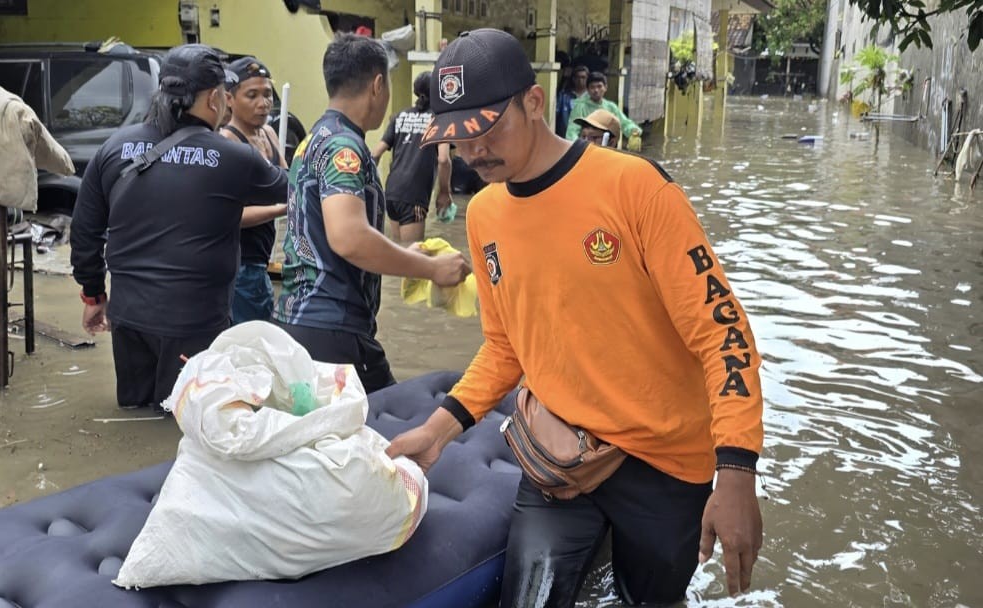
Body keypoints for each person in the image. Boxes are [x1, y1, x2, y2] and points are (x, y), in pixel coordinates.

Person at [386, 28, 764, 606]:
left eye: (488, 131)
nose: (474, 153)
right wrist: (437, 431)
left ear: (534, 102)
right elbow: (505, 347)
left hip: (665, 463)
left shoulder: (636, 189)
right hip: (560, 454)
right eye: (460, 141)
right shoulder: (485, 214)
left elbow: (724, 334)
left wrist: (736, 471)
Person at [71, 44, 288, 414]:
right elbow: (294, 189)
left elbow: (84, 232)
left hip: (127, 319)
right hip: (195, 322)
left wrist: (94, 296)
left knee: (136, 415)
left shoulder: (114, 148)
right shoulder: (233, 157)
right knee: (189, 422)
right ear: (214, 99)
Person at [272, 33, 470, 393]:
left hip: (301, 321)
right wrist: (430, 269)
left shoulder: (313, 139)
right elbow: (348, 237)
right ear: (378, 85)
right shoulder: (343, 147)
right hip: (334, 330)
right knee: (401, 418)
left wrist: (405, 254)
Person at [220, 56, 289, 324]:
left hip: (261, 259)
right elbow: (229, 216)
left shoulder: (269, 133)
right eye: (252, 95)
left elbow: (287, 181)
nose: (263, 103)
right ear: (229, 99)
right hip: (239, 263)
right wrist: (280, 210)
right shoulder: (227, 143)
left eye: (267, 94)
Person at [371, 71, 452, 243]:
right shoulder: (439, 120)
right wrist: (444, 192)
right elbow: (444, 159)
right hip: (414, 195)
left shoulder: (399, 116)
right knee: (411, 254)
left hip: (391, 192)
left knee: (399, 251)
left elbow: (375, 154)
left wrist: (369, 186)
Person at [565, 71, 642, 142]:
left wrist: (633, 131)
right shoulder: (580, 107)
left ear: (605, 88)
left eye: (599, 86)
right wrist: (578, 146)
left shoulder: (611, 107)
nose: (596, 90)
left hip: (607, 147)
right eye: (592, 87)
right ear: (587, 90)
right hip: (587, 146)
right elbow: (572, 131)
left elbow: (625, 123)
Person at [555, 64, 588, 138]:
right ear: (573, 79)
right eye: (577, 77)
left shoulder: (592, 97)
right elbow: (556, 114)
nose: (580, 80)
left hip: (586, 138)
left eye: (583, 77)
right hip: (566, 136)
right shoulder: (564, 96)